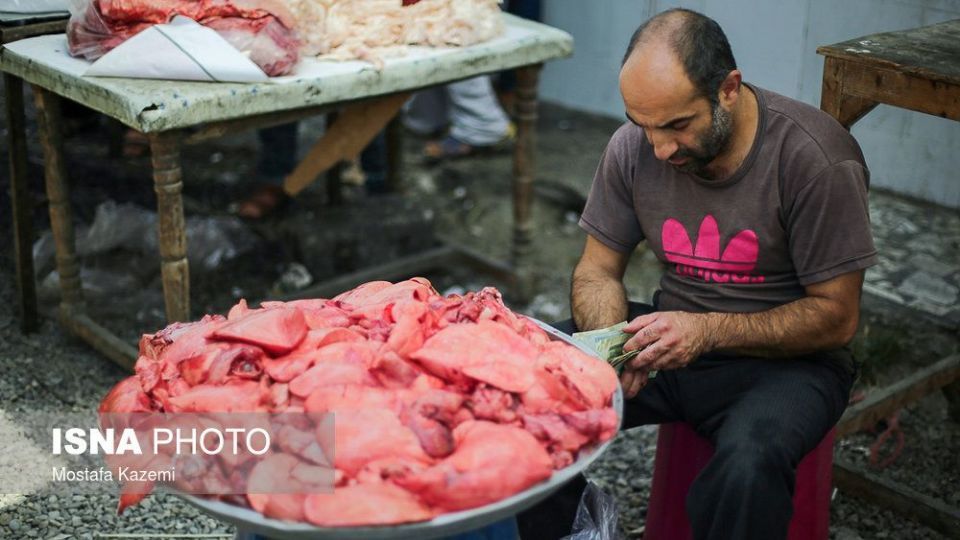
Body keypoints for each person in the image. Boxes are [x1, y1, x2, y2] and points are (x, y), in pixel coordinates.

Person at [518, 8, 876, 540]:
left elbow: (836, 319)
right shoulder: (633, 147)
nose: (660, 149)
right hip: (671, 344)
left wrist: (707, 330)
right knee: (522, 392)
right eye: (645, 125)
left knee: (746, 469)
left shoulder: (814, 158)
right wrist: (610, 347)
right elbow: (597, 270)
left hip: (788, 365)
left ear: (728, 88)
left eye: (678, 125)